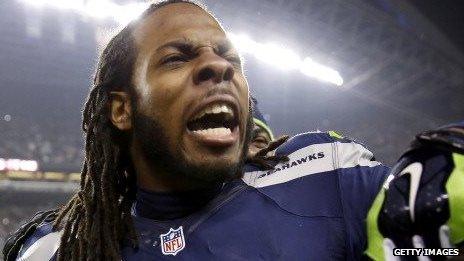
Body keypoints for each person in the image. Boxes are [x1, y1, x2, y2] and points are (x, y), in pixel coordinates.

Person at [5, 0, 441, 260]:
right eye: (177, 58)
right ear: (122, 110)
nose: (219, 66)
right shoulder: (61, 249)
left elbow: (434, 242)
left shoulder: (325, 176)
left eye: (230, 58)